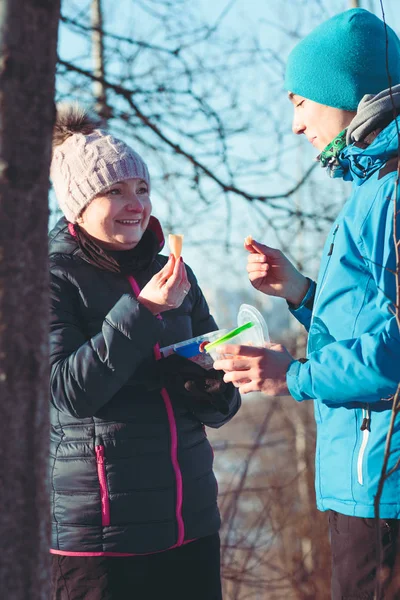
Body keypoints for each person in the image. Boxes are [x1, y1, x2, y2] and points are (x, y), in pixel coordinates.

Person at [214, 8, 400, 599]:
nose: (295, 125)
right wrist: (302, 292)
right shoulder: (375, 187)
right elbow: (373, 318)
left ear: (346, 92)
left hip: (384, 487)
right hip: (365, 479)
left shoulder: (394, 190)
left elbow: (395, 351)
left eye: (299, 102)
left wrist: (293, 374)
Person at [49, 103, 241, 600]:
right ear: (77, 205)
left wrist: (214, 381)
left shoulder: (173, 271)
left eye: (142, 189)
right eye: (114, 191)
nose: (136, 203)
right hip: (103, 540)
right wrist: (143, 310)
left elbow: (220, 404)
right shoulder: (49, 277)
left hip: (191, 522)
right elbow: (69, 392)